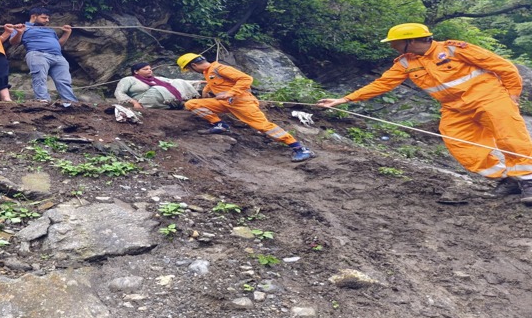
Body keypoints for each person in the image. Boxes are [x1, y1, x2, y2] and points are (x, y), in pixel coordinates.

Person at [317, 23, 532, 204]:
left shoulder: (454, 49)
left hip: (490, 98)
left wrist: (512, 95)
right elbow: (382, 84)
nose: (391, 46)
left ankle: (528, 180)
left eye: (394, 42)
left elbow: (504, 67)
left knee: (510, 139)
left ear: (410, 41)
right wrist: (345, 99)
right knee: (460, 145)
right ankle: (508, 179)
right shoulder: (406, 62)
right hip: (454, 108)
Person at [177, 53, 315, 162]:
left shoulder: (220, 68)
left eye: (189, 69)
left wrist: (230, 93)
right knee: (192, 104)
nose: (191, 71)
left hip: (242, 103)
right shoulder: (208, 72)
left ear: (194, 65)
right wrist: (206, 90)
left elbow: (246, 79)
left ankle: (300, 148)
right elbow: (217, 82)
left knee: (263, 126)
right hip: (226, 103)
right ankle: (220, 125)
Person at [9, 7, 79, 103]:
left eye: (48, 18)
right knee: (40, 78)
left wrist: (67, 33)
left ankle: (70, 103)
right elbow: (13, 42)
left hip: (58, 56)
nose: (47, 20)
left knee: (64, 80)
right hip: (38, 54)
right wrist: (19, 33)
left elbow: (58, 44)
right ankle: (43, 101)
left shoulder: (50, 30)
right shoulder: (22, 27)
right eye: (44, 18)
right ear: (34, 16)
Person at [114, 63, 201, 109]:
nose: (149, 71)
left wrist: (200, 81)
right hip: (143, 101)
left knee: (178, 81)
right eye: (145, 69)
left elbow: (173, 82)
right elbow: (119, 92)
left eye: (150, 69)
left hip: (164, 101)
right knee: (157, 88)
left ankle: (181, 102)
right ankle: (177, 104)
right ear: (136, 71)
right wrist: (134, 102)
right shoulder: (128, 79)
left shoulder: (156, 79)